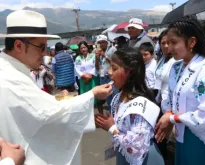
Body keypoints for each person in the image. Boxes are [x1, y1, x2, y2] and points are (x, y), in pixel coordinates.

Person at [0, 10, 112, 165]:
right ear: (19, 45)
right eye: (41, 47)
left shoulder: (9, 69)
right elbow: (52, 114)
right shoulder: (11, 77)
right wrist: (91, 94)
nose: (46, 53)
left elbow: (36, 107)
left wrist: (51, 100)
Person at [155, 16, 205, 165]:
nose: (169, 48)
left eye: (174, 42)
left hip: (201, 140)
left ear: (192, 42)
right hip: (181, 136)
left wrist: (173, 118)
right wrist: (169, 112)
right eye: (167, 42)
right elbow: (169, 97)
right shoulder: (176, 67)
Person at [96, 48, 164, 165]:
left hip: (144, 159)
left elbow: (136, 146)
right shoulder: (118, 98)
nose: (110, 72)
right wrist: (102, 122)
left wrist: (112, 128)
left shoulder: (141, 103)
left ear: (130, 72)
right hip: (124, 155)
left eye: (115, 68)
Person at [95, 35, 118, 113]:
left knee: (115, 98)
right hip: (103, 77)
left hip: (111, 77)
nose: (101, 44)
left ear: (106, 42)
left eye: (102, 42)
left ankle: (116, 115)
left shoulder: (112, 49)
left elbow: (115, 63)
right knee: (108, 99)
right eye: (99, 43)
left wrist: (105, 56)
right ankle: (112, 115)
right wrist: (97, 59)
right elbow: (97, 68)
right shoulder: (99, 52)